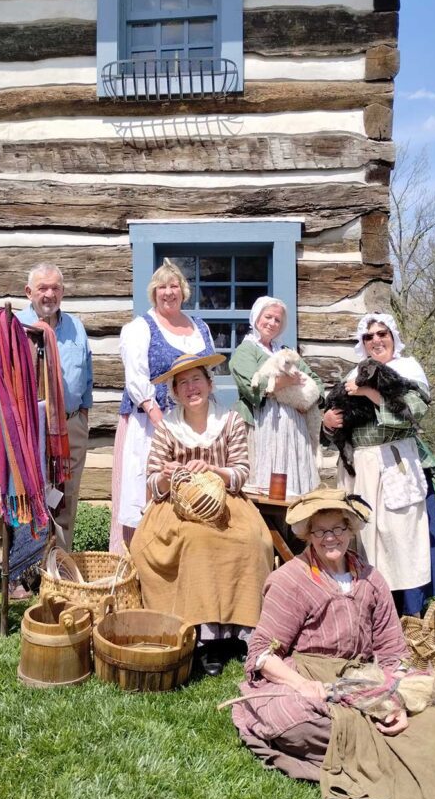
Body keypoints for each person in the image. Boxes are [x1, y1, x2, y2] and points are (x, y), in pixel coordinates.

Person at [231, 489, 435, 799]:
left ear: (351, 530)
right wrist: (303, 685)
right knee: (293, 722)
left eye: (338, 528)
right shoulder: (290, 580)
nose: (330, 538)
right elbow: (262, 652)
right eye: (320, 531)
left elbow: (393, 652)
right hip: (308, 678)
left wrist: (392, 700)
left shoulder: (371, 580)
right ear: (307, 535)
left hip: (362, 683)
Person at [130, 353, 274, 676]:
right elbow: (152, 481)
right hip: (177, 507)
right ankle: (205, 641)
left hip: (226, 501)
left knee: (252, 540)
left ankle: (242, 632)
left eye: (197, 380)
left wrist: (213, 470)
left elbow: (241, 473)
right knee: (196, 540)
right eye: (183, 384)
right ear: (176, 393)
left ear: (210, 384)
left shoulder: (230, 420)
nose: (191, 388)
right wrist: (169, 476)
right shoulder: (168, 426)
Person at [320, 312, 435, 612]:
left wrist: (369, 392)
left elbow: (413, 414)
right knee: (365, 539)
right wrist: (328, 423)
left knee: (402, 540)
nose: (376, 340)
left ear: (393, 337)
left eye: (382, 334)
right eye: (369, 337)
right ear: (362, 343)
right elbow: (331, 435)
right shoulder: (351, 376)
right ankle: (370, 610)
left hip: (395, 462)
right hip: (360, 467)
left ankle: (409, 615)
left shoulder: (406, 370)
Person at [109, 259, 215, 553]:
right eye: (162, 287)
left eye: (174, 286)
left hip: (194, 423)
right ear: (153, 292)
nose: (169, 292)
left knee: (192, 489)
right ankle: (141, 564)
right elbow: (136, 378)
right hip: (151, 425)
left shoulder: (200, 327)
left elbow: (207, 373)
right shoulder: (139, 328)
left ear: (184, 291)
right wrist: (163, 424)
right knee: (148, 490)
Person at [17, 262, 92, 552]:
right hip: (30, 427)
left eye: (55, 288)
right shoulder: (16, 326)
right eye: (42, 288)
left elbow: (87, 374)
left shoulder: (75, 326)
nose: (49, 294)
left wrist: (82, 413)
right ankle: (25, 570)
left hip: (70, 426)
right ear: (29, 292)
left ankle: (60, 565)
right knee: (28, 494)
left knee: (65, 496)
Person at [229, 296, 323, 496]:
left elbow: (315, 379)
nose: (272, 323)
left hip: (294, 425)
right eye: (268, 317)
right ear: (256, 318)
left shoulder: (285, 352)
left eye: (277, 320)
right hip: (264, 423)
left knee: (294, 479)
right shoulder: (246, 350)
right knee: (266, 481)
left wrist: (309, 401)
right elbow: (252, 387)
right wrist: (287, 382)